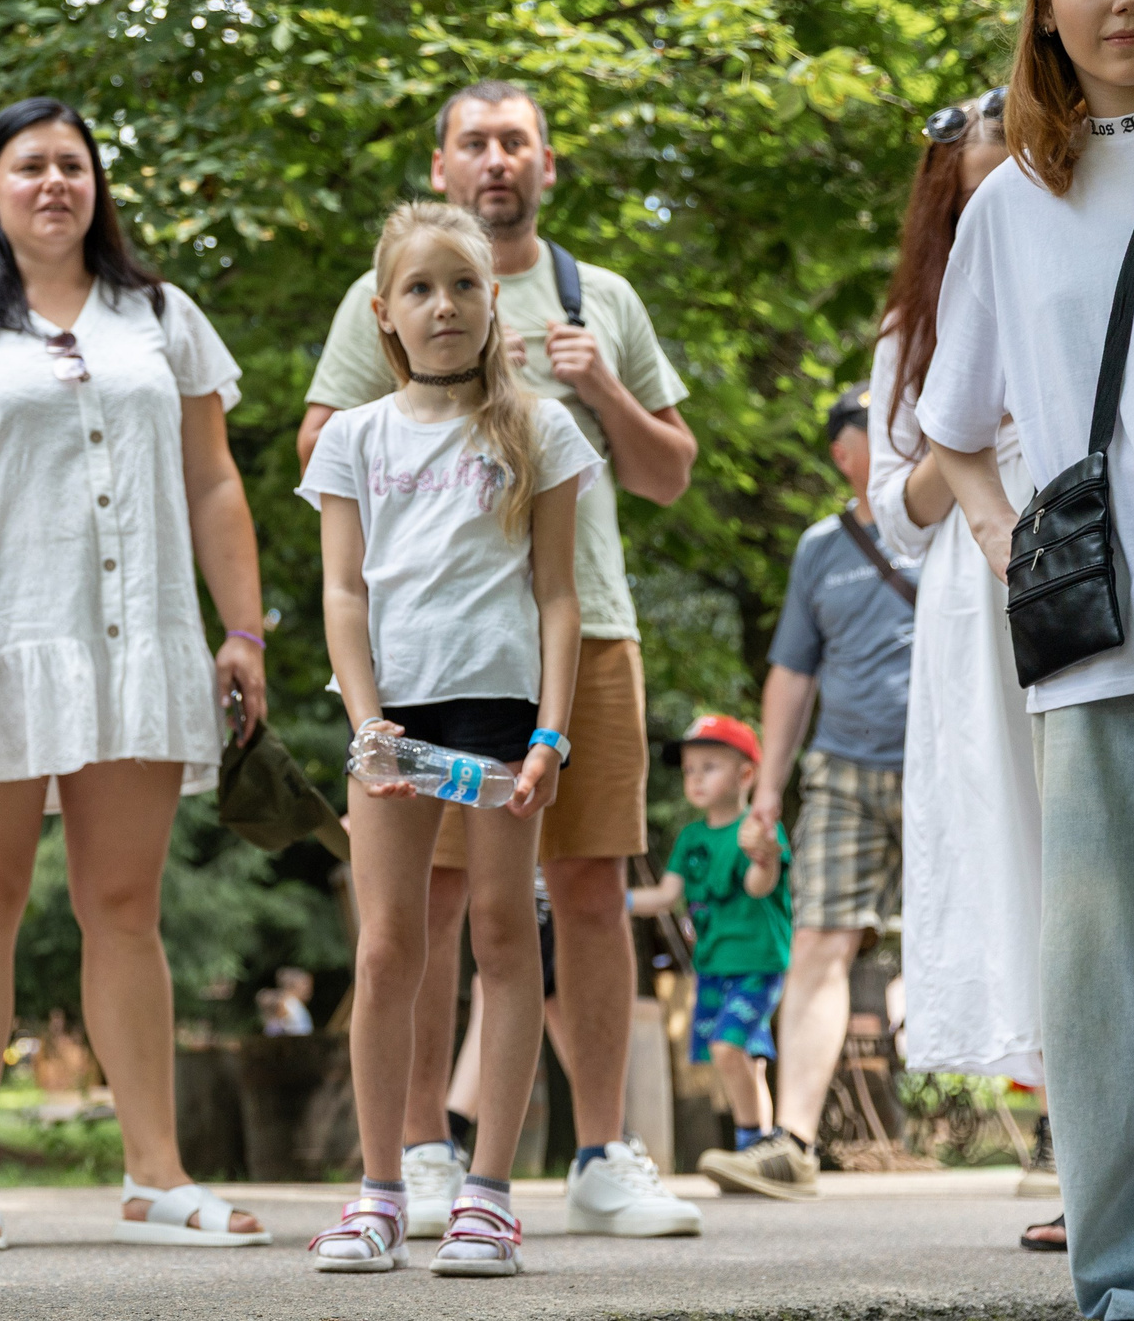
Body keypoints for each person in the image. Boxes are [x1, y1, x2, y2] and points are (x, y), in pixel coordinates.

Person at [0, 96, 271, 1254]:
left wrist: (244, 629)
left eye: (72, 165)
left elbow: (213, 483)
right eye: (27, 166)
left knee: (124, 908)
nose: (53, 183)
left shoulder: (162, 316)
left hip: (139, 644)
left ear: (98, 186)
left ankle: (154, 1176)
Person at [298, 81, 701, 1239]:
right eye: (473, 142)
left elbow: (660, 480)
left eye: (514, 141)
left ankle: (580, 1156)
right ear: (441, 163)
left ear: (546, 162)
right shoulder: (377, 353)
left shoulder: (597, 307)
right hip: (404, 695)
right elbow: (333, 499)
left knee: (568, 900)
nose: (495, 159)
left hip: (556, 659)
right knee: (403, 924)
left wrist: (592, 380)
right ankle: (407, 1163)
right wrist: (366, 716)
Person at [922, 0, 1134, 1319]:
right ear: (1046, 6)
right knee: (1120, 1017)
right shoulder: (1008, 204)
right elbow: (950, 427)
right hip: (1096, 649)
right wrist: (1000, 534)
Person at [299, 201, 598, 1278]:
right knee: (386, 950)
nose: (443, 307)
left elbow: (557, 598)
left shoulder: (539, 431)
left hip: (500, 716)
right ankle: (380, 1192)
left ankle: (487, 1197)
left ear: (492, 304)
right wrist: (364, 720)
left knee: (503, 940)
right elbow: (340, 593)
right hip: (393, 722)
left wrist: (552, 736)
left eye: (463, 287)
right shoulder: (354, 436)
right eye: (420, 289)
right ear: (384, 312)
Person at [864, 89, 1065, 1251]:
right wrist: (960, 435)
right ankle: (1079, 1160)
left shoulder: (1071, 273)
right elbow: (895, 508)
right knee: (1014, 859)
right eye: (975, 184)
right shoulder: (913, 329)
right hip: (971, 605)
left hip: (1090, 569)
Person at [704, 385, 919, 1200]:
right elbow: (791, 674)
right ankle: (790, 1141)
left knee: (1005, 927)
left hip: (949, 766)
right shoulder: (821, 548)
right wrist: (769, 796)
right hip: (842, 771)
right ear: (845, 451)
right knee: (819, 943)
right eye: (880, 427)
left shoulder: (952, 522)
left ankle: (1056, 1137)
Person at [630, 717, 790, 1156]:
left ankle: (750, 1142)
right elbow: (666, 895)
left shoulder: (756, 829)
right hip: (713, 967)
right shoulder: (691, 837)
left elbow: (759, 885)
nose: (695, 778)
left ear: (745, 775)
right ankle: (765, 1156)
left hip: (757, 963)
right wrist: (613, 902)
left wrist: (764, 856)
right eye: (688, 770)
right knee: (747, 1064)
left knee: (726, 1048)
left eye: (709, 767)